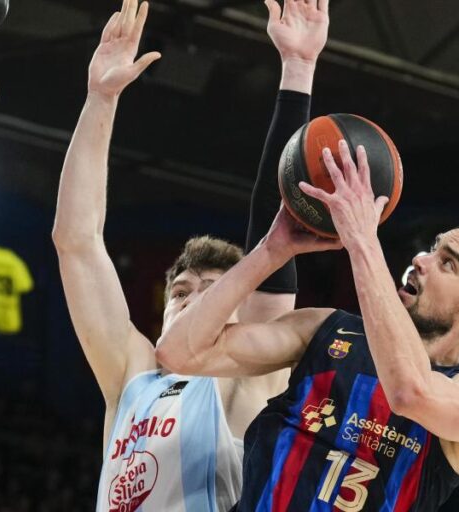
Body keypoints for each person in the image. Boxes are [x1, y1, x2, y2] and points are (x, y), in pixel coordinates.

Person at [51, 0, 330, 509]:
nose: (194, 299)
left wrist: (299, 69)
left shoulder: (250, 377)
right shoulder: (131, 371)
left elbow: (276, 213)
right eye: (182, 291)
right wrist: (100, 97)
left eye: (212, 290)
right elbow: (77, 242)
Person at [156, 144, 459, 510]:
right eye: (433, 248)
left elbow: (409, 392)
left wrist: (363, 241)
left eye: (448, 263)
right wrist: (271, 250)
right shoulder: (326, 329)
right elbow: (181, 353)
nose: (422, 259)